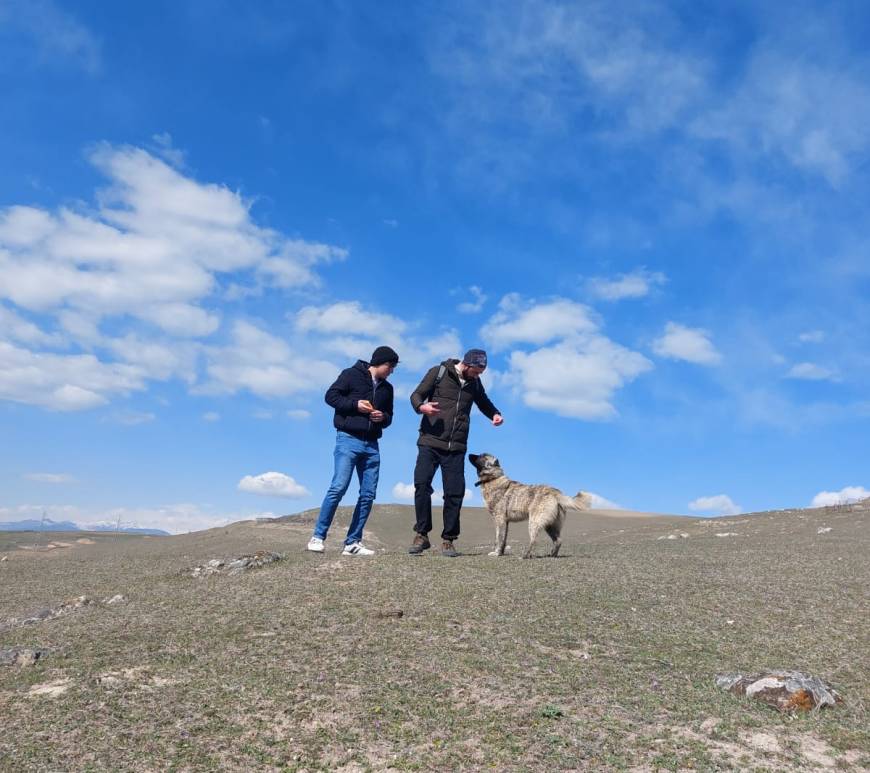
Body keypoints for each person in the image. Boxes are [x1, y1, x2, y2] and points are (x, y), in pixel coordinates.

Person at [408, 348, 503, 556]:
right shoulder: (438, 372)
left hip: (456, 447)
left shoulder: (474, 383)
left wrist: (494, 414)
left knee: (454, 493)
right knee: (422, 485)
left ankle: (448, 540)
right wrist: (421, 407)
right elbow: (416, 395)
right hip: (430, 441)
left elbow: (483, 401)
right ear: (467, 365)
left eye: (480, 373)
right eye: (476, 372)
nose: (477, 376)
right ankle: (422, 535)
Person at [307, 345, 399, 556]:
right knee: (338, 487)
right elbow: (331, 396)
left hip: (372, 445)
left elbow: (389, 417)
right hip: (348, 439)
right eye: (390, 366)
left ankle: (352, 543)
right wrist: (355, 405)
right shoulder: (351, 374)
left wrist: (382, 417)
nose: (392, 371)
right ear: (379, 362)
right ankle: (317, 537)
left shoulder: (388, 389)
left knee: (368, 495)